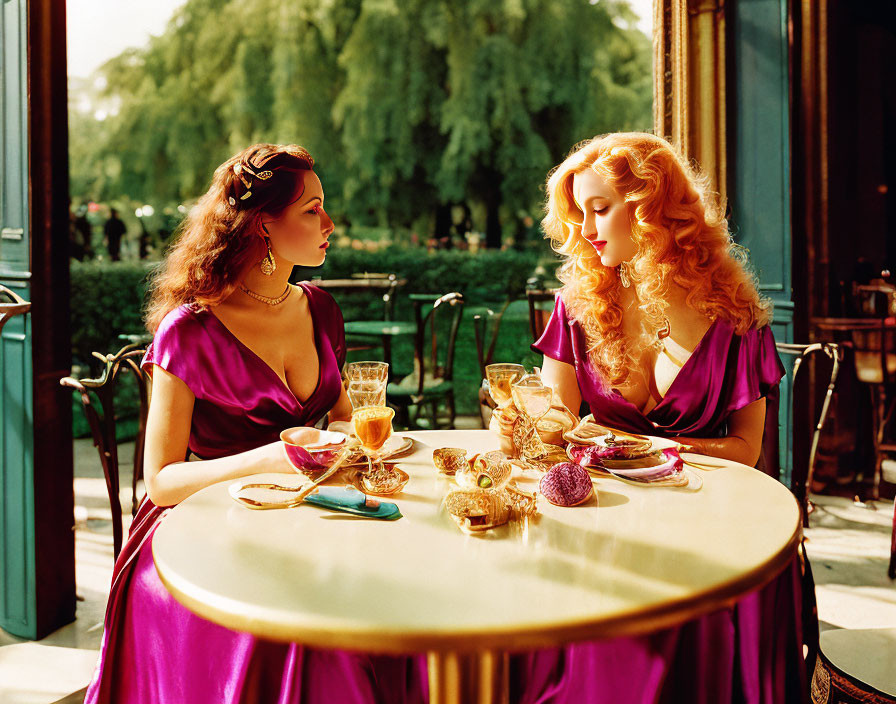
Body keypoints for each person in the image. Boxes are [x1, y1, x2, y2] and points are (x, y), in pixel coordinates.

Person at [84, 144, 427, 704]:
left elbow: (340, 416)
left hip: (310, 508)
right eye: (312, 210)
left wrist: (346, 437)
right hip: (204, 527)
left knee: (405, 588)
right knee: (314, 634)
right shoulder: (188, 330)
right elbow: (162, 481)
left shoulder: (320, 307)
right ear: (263, 224)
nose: (330, 223)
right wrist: (271, 458)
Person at [508, 133, 814, 702]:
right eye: (579, 213)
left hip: (711, 529)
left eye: (599, 209)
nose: (586, 228)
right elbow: (554, 418)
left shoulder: (734, 313)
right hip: (603, 521)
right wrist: (523, 422)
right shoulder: (577, 303)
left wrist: (643, 451)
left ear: (648, 207)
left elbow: (748, 447)